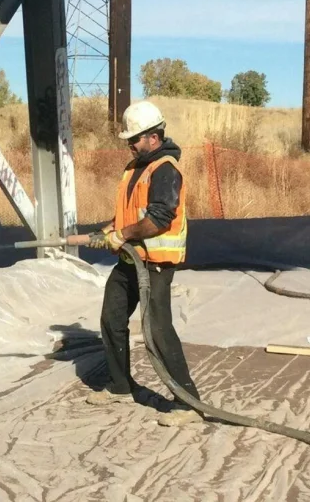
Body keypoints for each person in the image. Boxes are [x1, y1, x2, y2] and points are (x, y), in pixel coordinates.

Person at [67, 100, 202, 427]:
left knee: (157, 330)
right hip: (130, 260)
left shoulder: (165, 169)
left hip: (155, 264)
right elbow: (127, 214)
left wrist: (122, 233)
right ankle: (120, 386)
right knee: (111, 318)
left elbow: (158, 219)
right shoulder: (134, 168)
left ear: (154, 137)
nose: (129, 143)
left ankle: (188, 403)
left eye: (135, 138)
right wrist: (105, 233)